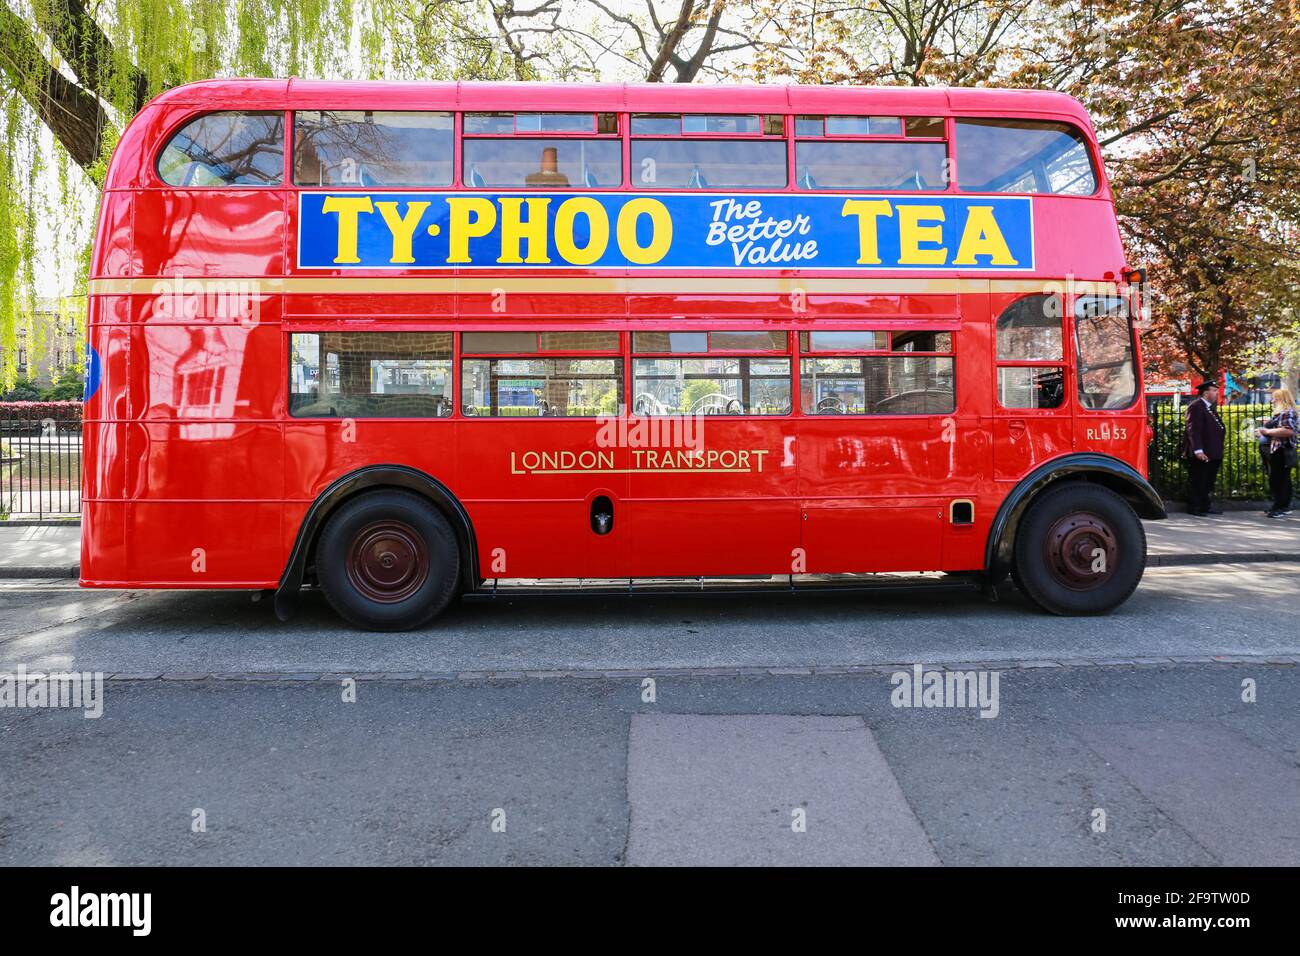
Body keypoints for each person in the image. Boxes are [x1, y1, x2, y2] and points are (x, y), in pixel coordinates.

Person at [1184, 379, 1225, 516]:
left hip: (1213, 451)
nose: (1216, 393)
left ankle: (1204, 505)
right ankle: (1195, 507)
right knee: (1199, 480)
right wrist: (1198, 450)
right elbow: (1194, 430)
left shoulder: (1208, 407)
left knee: (1208, 481)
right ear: (1205, 392)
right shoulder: (1196, 406)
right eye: (1213, 390)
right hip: (1203, 452)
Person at [1255, 387, 1298, 518]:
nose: (1272, 401)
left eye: (1274, 398)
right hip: (1277, 449)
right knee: (1281, 478)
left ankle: (1279, 507)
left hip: (1282, 450)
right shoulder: (1281, 413)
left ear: (1280, 399)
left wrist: (1266, 432)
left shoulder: (1287, 412)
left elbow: (1289, 430)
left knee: (1279, 479)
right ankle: (1282, 506)